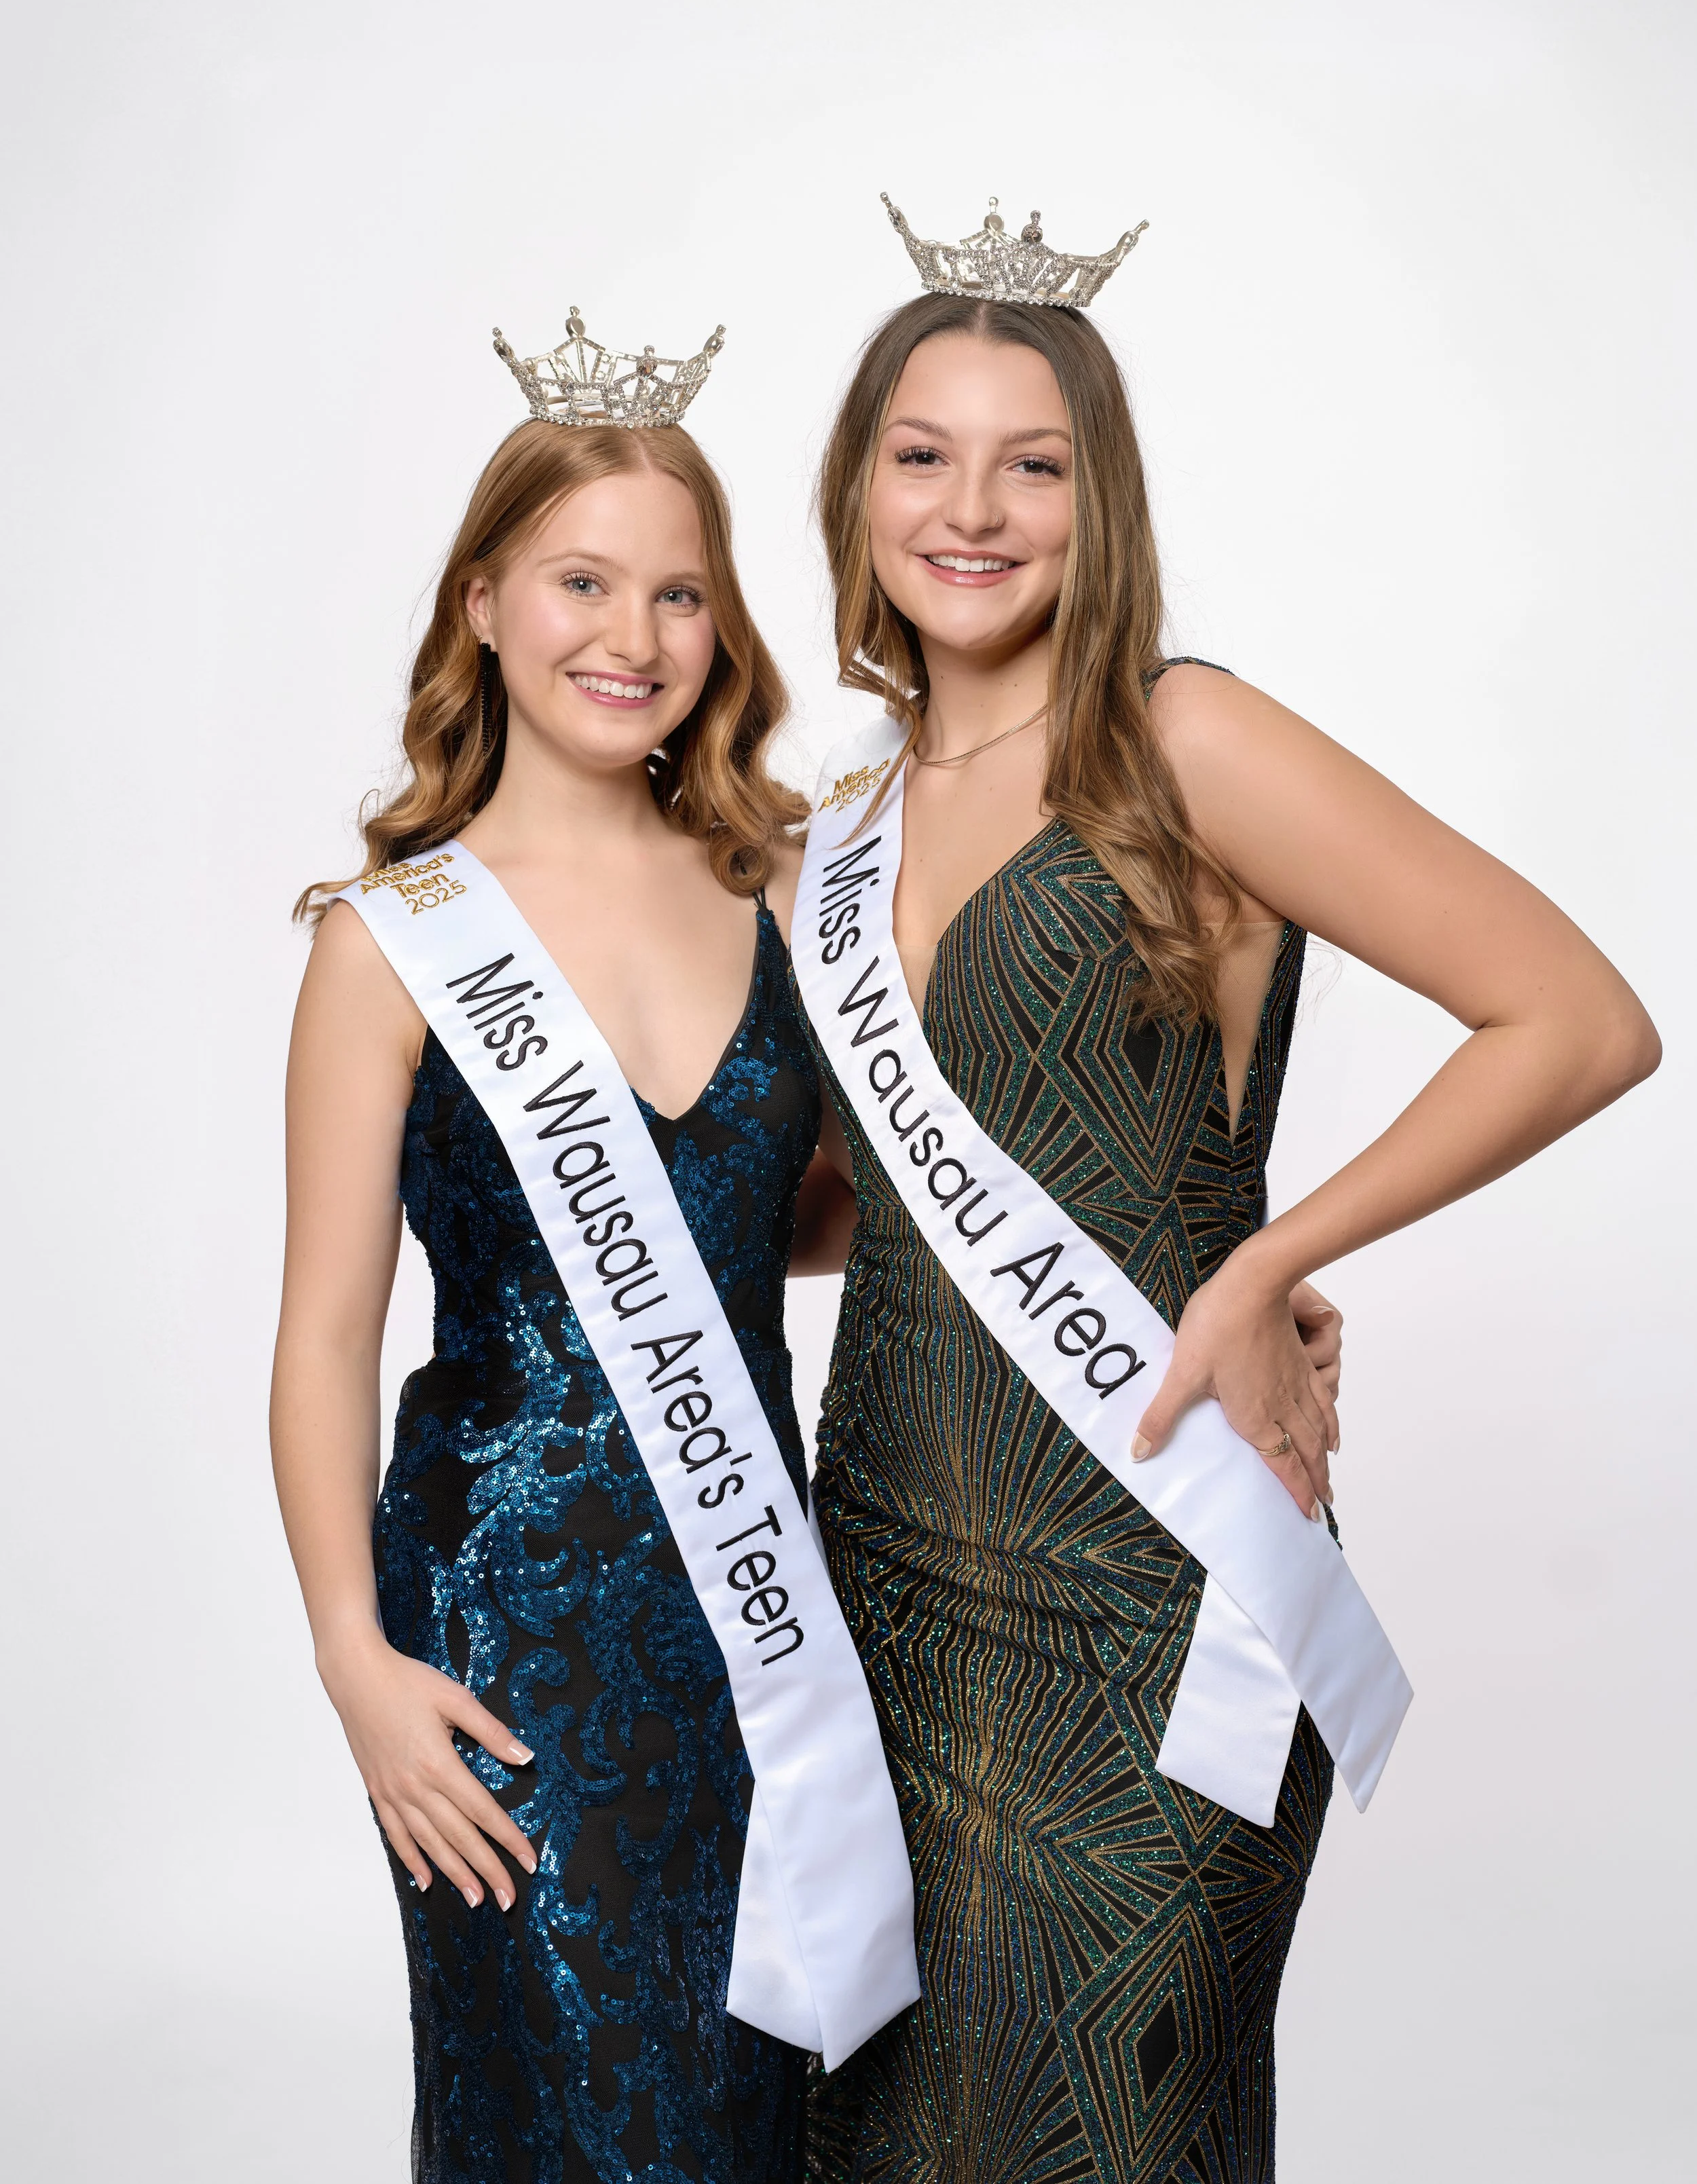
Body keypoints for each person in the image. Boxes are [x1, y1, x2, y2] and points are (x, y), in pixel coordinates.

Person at [785, 200, 1660, 2183]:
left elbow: (1575, 1017)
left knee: (1119, 2115)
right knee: (879, 2136)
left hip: (1154, 1560)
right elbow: (850, 1208)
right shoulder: (826, 826)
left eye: (1037, 463)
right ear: (853, 490)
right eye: (923, 455)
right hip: (885, 1576)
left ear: (1104, 505)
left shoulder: (1183, 739)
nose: (973, 508)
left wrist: (1273, 1256)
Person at [268, 311, 918, 2184]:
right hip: (497, 1623)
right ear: (482, 599)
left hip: (752, 1612)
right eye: (579, 580)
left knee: (743, 2100)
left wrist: (1205, 1264)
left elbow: (789, 1216)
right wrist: (349, 1657)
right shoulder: (386, 937)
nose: (629, 637)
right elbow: (322, 1335)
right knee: (550, 2105)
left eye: (679, 594)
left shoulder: (783, 884)